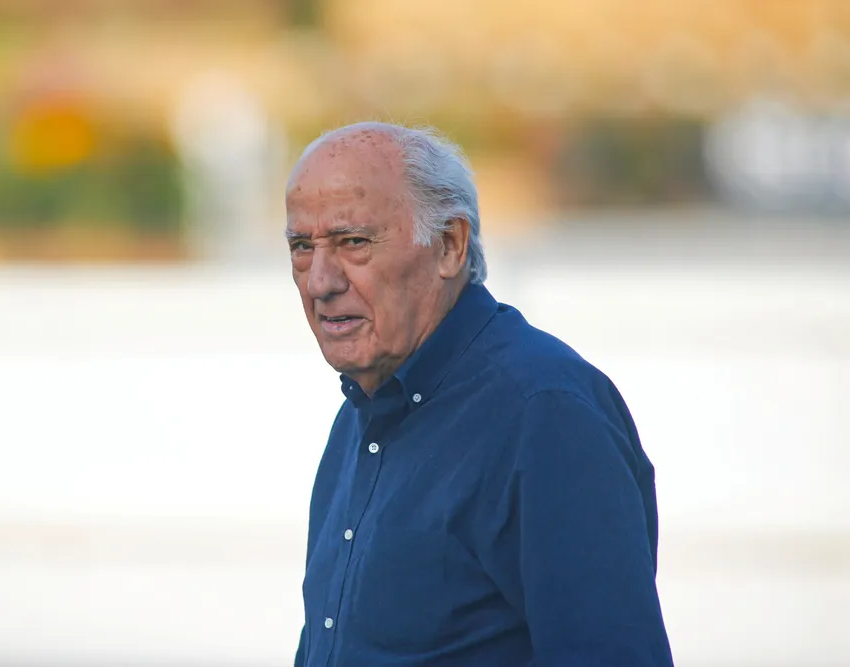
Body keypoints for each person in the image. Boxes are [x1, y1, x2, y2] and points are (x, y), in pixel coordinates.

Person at [285, 122, 674, 667]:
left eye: (354, 242)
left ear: (450, 245)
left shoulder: (545, 412)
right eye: (302, 247)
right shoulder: (364, 410)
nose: (320, 281)